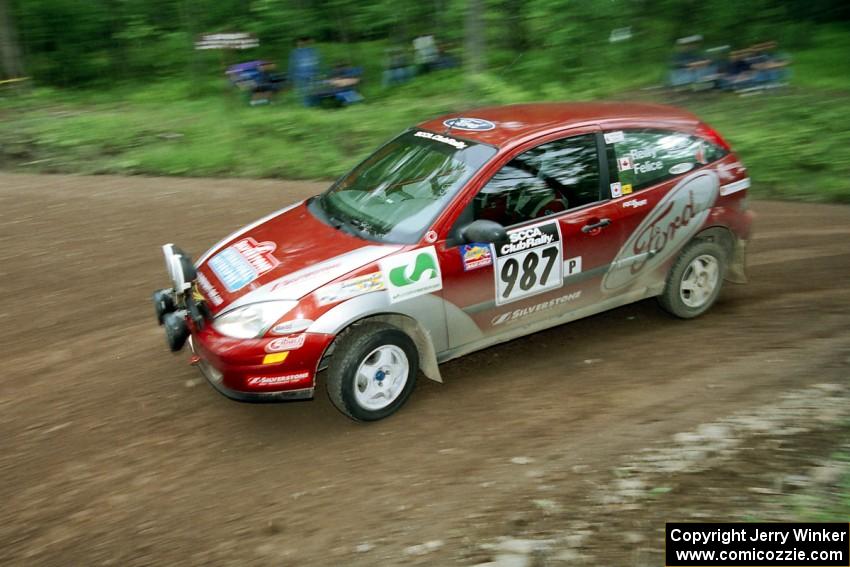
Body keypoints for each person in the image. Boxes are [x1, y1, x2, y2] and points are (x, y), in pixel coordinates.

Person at [288, 37, 320, 106]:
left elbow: (315, 62)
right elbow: (291, 65)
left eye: (302, 41)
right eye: (299, 42)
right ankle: (307, 105)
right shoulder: (294, 53)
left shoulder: (311, 51)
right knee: (304, 91)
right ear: (296, 43)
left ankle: (315, 104)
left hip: (312, 74)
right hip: (300, 76)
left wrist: (317, 71)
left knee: (314, 90)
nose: (301, 43)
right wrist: (291, 77)